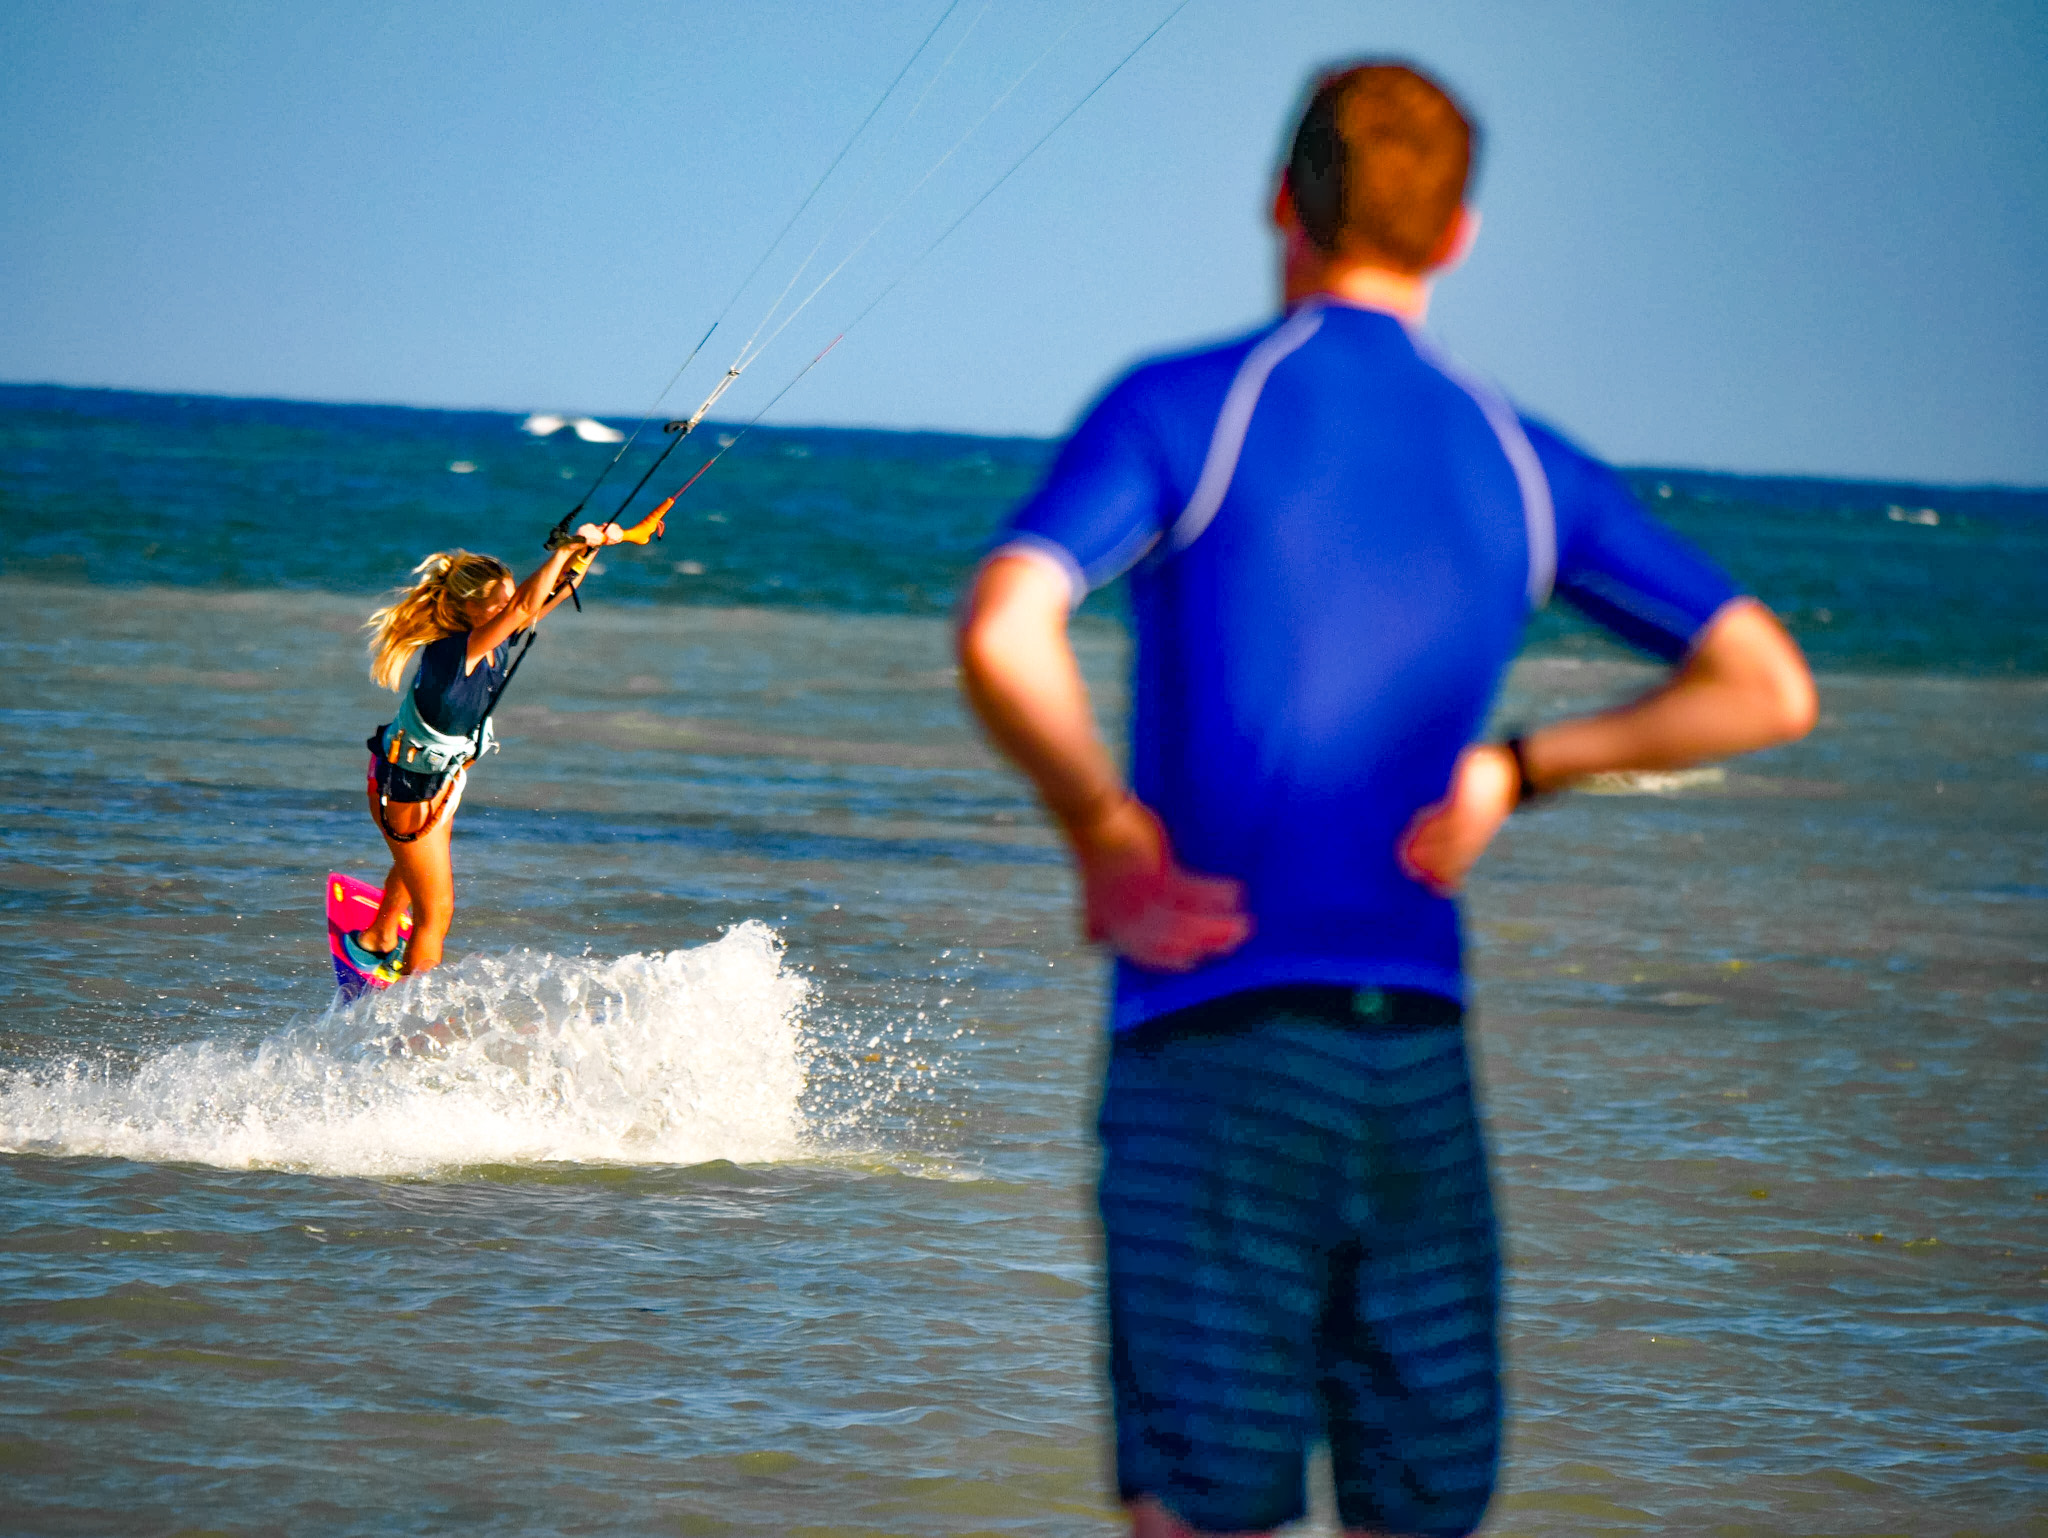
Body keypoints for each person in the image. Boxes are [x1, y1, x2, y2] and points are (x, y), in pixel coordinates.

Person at [956, 60, 1816, 1538]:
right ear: (1459, 235)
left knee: (1200, 1512)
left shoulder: (1194, 407)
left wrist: (1101, 823)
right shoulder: (1516, 453)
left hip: (1216, 1036)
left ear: (1281, 199)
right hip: (1416, 1060)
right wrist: (1518, 767)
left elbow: (1006, 626)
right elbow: (1766, 686)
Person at [349, 522, 623, 980]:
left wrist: (587, 549)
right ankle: (413, 1016)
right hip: (407, 787)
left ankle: (376, 939)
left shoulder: (491, 641)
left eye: (511, 597)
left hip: (437, 779)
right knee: (436, 913)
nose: (514, 606)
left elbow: (549, 592)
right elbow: (521, 607)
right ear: (470, 609)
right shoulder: (453, 653)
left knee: (419, 869)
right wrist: (564, 548)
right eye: (500, 601)